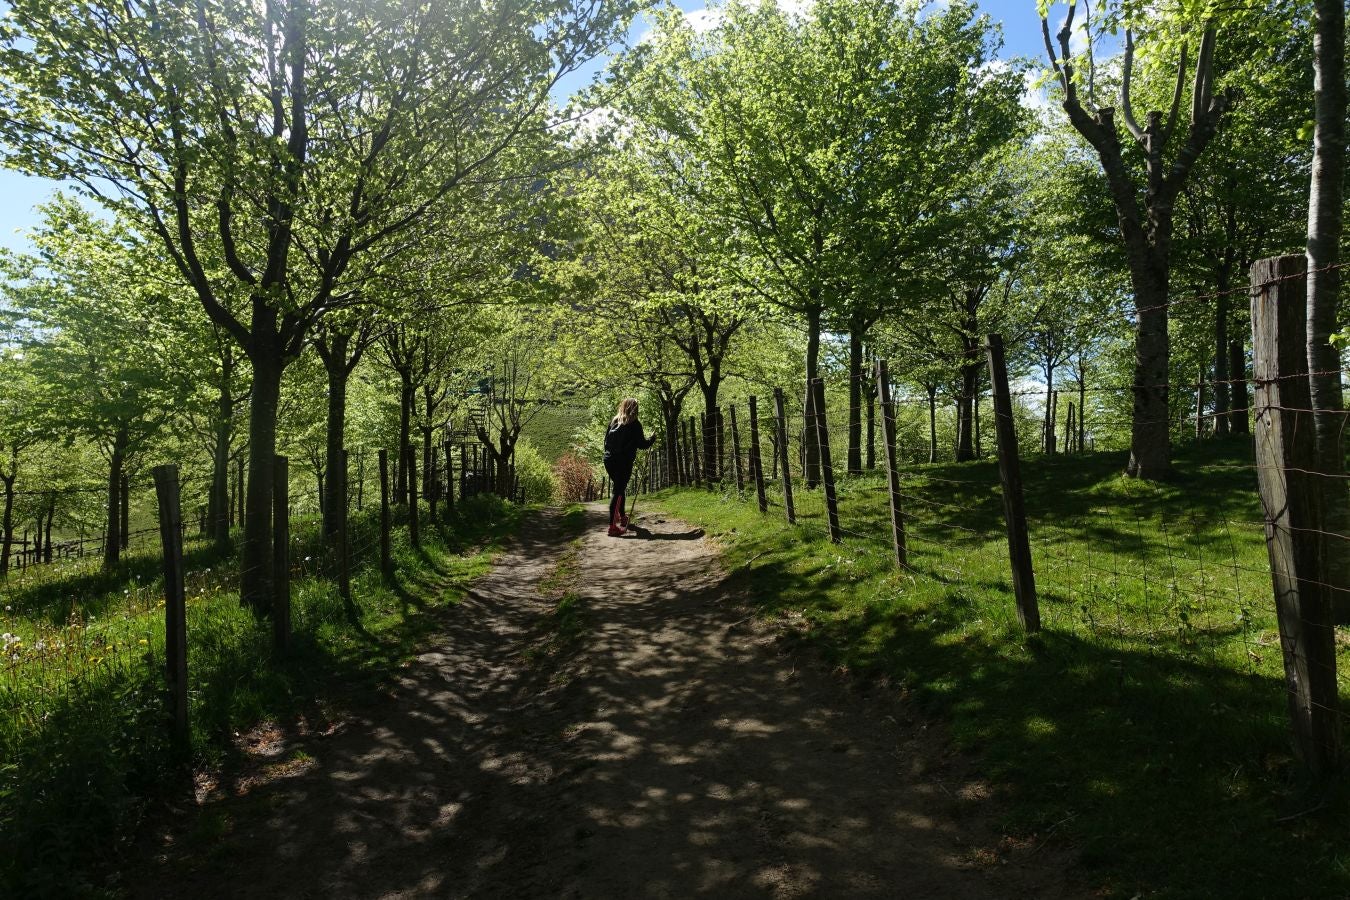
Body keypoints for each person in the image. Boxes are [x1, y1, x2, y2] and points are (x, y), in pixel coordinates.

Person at [603, 397, 656, 536]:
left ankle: (622, 517)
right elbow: (642, 444)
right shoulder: (634, 423)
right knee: (618, 490)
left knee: (620, 488)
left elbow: (605, 442)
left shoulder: (614, 421)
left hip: (609, 459)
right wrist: (652, 439)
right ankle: (612, 526)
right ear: (635, 409)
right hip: (624, 461)